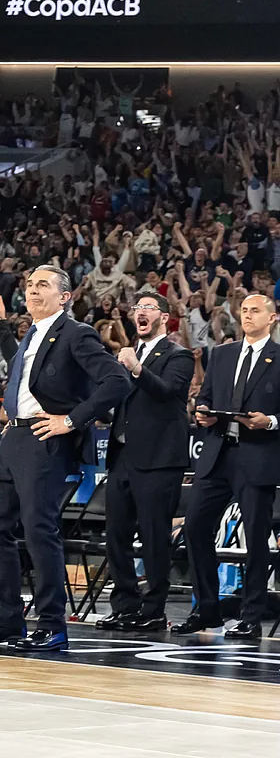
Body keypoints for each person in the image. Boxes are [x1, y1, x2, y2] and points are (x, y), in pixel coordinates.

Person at [0, 267, 131, 651]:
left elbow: (117, 381)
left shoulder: (76, 333)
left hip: (45, 441)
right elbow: (28, 379)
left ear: (65, 297)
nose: (33, 290)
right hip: (14, 437)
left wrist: (70, 420)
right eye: (29, 284)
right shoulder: (32, 334)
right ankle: (8, 622)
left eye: (43, 284)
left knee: (40, 531)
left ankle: (52, 625)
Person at [173, 294, 280, 640]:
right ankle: (207, 610)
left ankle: (251, 615)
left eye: (255, 311)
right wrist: (202, 411)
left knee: (256, 538)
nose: (247, 316)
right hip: (219, 453)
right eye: (244, 311)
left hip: (258, 456)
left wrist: (271, 421)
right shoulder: (223, 354)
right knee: (196, 527)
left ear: (272, 317)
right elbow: (206, 394)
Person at [97, 293, 194, 633]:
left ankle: (153, 609)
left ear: (164, 318)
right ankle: (125, 605)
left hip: (158, 460)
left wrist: (136, 368)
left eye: (148, 308)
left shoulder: (179, 355)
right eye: (137, 308)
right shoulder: (127, 356)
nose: (140, 313)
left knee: (154, 538)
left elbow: (166, 391)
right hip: (122, 456)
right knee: (116, 536)